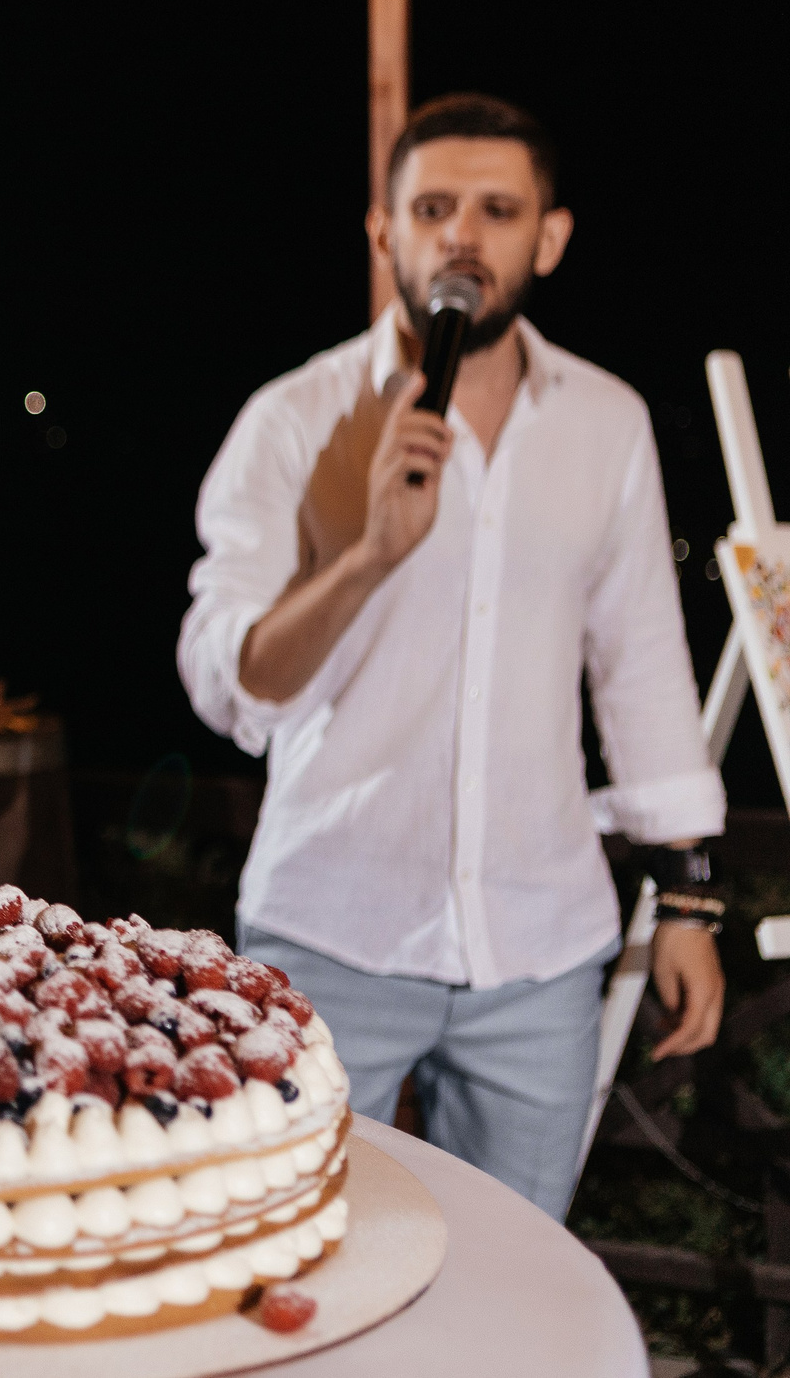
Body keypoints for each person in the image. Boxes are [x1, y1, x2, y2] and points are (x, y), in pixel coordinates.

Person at [176, 93, 727, 1219]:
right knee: (305, 1255)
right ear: (386, 235)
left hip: (541, 949)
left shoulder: (605, 422)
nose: (463, 238)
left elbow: (640, 665)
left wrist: (687, 902)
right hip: (328, 934)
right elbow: (231, 683)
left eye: (496, 210)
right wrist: (366, 555)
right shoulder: (293, 417)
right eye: (433, 209)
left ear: (549, 237)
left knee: (519, 1277)